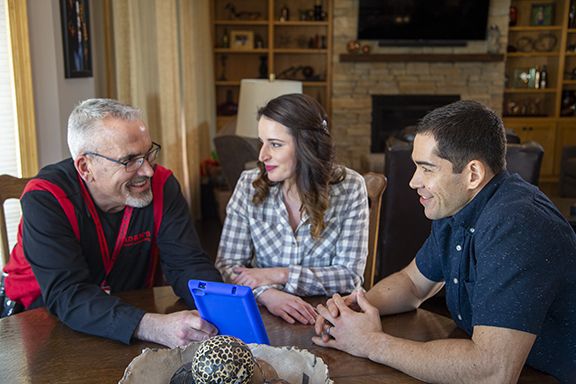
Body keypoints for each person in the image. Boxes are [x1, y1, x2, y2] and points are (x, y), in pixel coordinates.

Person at [313, 100, 576, 383]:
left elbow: (491, 371)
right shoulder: (456, 206)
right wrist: (356, 307)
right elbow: (413, 284)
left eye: (427, 169)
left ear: (472, 174)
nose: (414, 181)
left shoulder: (518, 225)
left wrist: (371, 343)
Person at [1, 98, 223, 348]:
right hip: (40, 323)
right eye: (129, 160)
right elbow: (67, 294)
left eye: (149, 153)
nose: (148, 171)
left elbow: (188, 264)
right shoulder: (46, 199)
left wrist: (226, 311)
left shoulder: (163, 185)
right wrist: (154, 327)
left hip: (130, 314)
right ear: (86, 167)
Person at [215, 93, 369, 325]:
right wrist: (266, 295)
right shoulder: (249, 184)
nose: (262, 155)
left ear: (307, 146)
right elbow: (227, 266)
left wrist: (279, 274)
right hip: (266, 314)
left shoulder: (350, 187)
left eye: (275, 144)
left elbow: (349, 276)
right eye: (262, 142)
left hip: (329, 316)